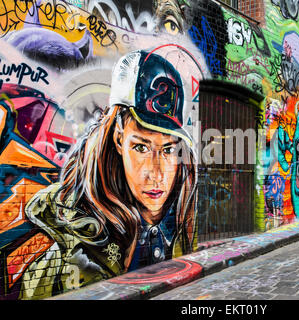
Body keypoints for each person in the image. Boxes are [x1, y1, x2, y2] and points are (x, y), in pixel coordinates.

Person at [12, 49, 199, 299]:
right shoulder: (72, 251)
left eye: (167, 150)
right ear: (118, 139)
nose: (156, 174)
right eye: (141, 147)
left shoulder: (179, 209)